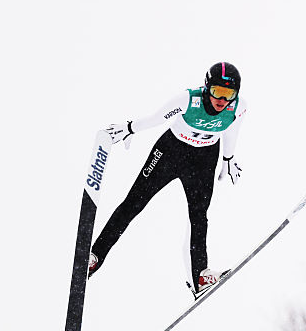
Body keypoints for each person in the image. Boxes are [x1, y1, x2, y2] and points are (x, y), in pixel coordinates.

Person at [89, 62, 247, 298]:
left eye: (228, 94)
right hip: (170, 153)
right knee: (133, 204)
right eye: (217, 92)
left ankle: (200, 276)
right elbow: (156, 118)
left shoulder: (239, 107)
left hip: (204, 160)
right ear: (207, 87)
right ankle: (94, 257)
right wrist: (130, 128)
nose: (222, 100)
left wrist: (228, 158)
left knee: (199, 216)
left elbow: (232, 130)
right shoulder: (188, 100)